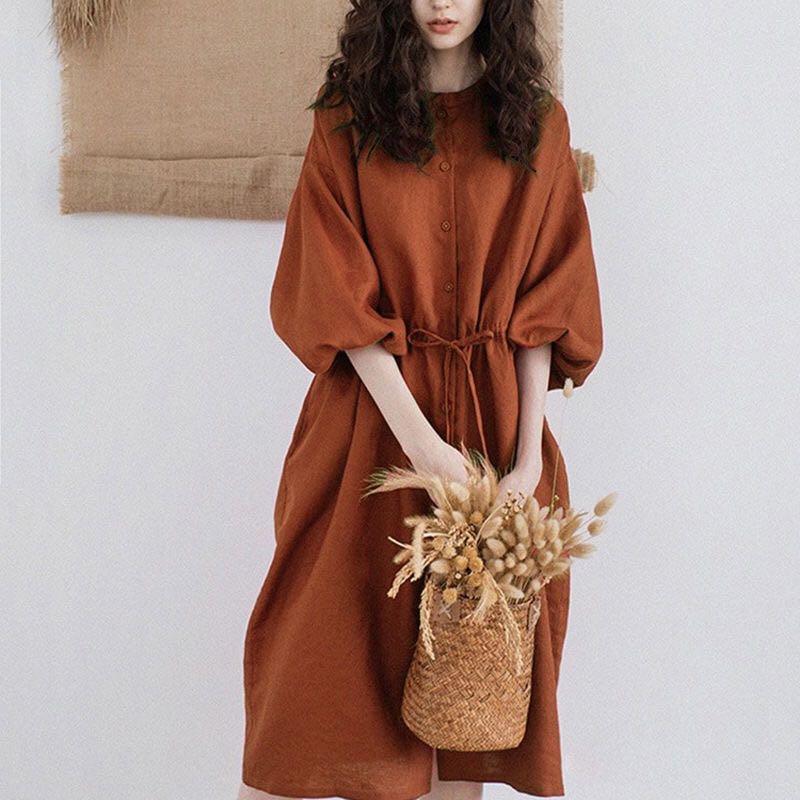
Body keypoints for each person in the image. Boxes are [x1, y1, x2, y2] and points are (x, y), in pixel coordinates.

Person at [238, 0, 603, 798]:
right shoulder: (347, 118)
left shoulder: (536, 121)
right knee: (307, 693)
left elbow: (545, 304)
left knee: (461, 713)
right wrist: (424, 448)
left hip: (497, 435)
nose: (442, 2)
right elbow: (334, 292)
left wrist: (526, 461)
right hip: (365, 437)